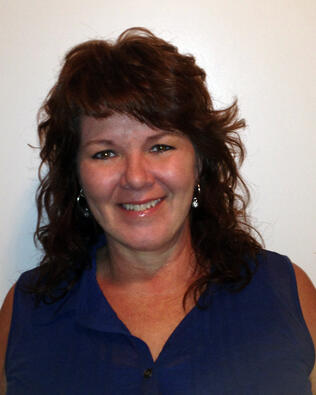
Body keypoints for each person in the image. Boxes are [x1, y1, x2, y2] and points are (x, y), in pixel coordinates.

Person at [0, 27, 315, 395]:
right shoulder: (26, 312)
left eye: (160, 147)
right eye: (105, 152)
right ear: (77, 177)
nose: (135, 177)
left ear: (199, 161)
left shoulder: (286, 293)